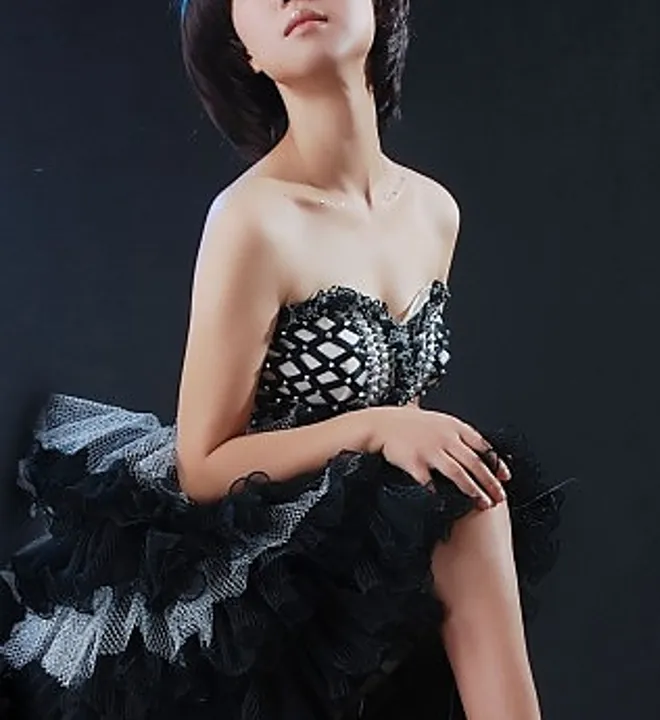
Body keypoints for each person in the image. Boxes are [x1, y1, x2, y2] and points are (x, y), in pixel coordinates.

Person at [0, 1, 570, 718]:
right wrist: (379, 427)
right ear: (247, 54)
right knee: (465, 507)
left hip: (354, 546)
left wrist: (401, 433)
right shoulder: (253, 219)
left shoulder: (433, 211)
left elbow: (402, 429)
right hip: (255, 560)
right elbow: (202, 465)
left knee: (465, 493)